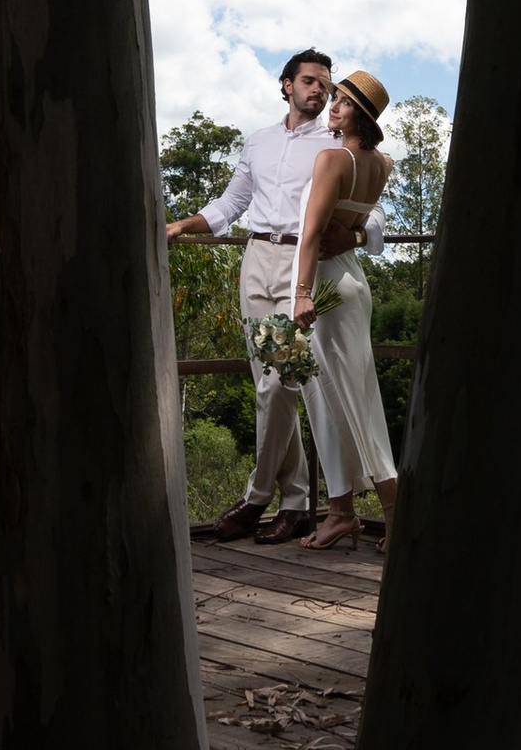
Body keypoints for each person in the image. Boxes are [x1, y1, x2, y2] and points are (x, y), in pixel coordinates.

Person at [165, 47, 332, 541]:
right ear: (287, 85)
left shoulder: (334, 143)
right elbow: (232, 202)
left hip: (302, 265)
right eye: (309, 80)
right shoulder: (258, 141)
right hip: (256, 261)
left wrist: (359, 233)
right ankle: (296, 503)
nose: (318, 89)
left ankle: (256, 496)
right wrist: (182, 225)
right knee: (269, 385)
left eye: (325, 83)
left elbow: (364, 204)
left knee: (281, 384)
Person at [288, 67, 397, 552]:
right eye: (334, 98)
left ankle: (396, 513)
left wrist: (301, 293)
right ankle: (341, 513)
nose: (333, 106)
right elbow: (360, 224)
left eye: (344, 102)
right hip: (352, 280)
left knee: (355, 400)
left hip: (327, 286)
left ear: (362, 116)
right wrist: (352, 235)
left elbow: (311, 234)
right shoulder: (383, 163)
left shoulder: (332, 158)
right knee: (332, 398)